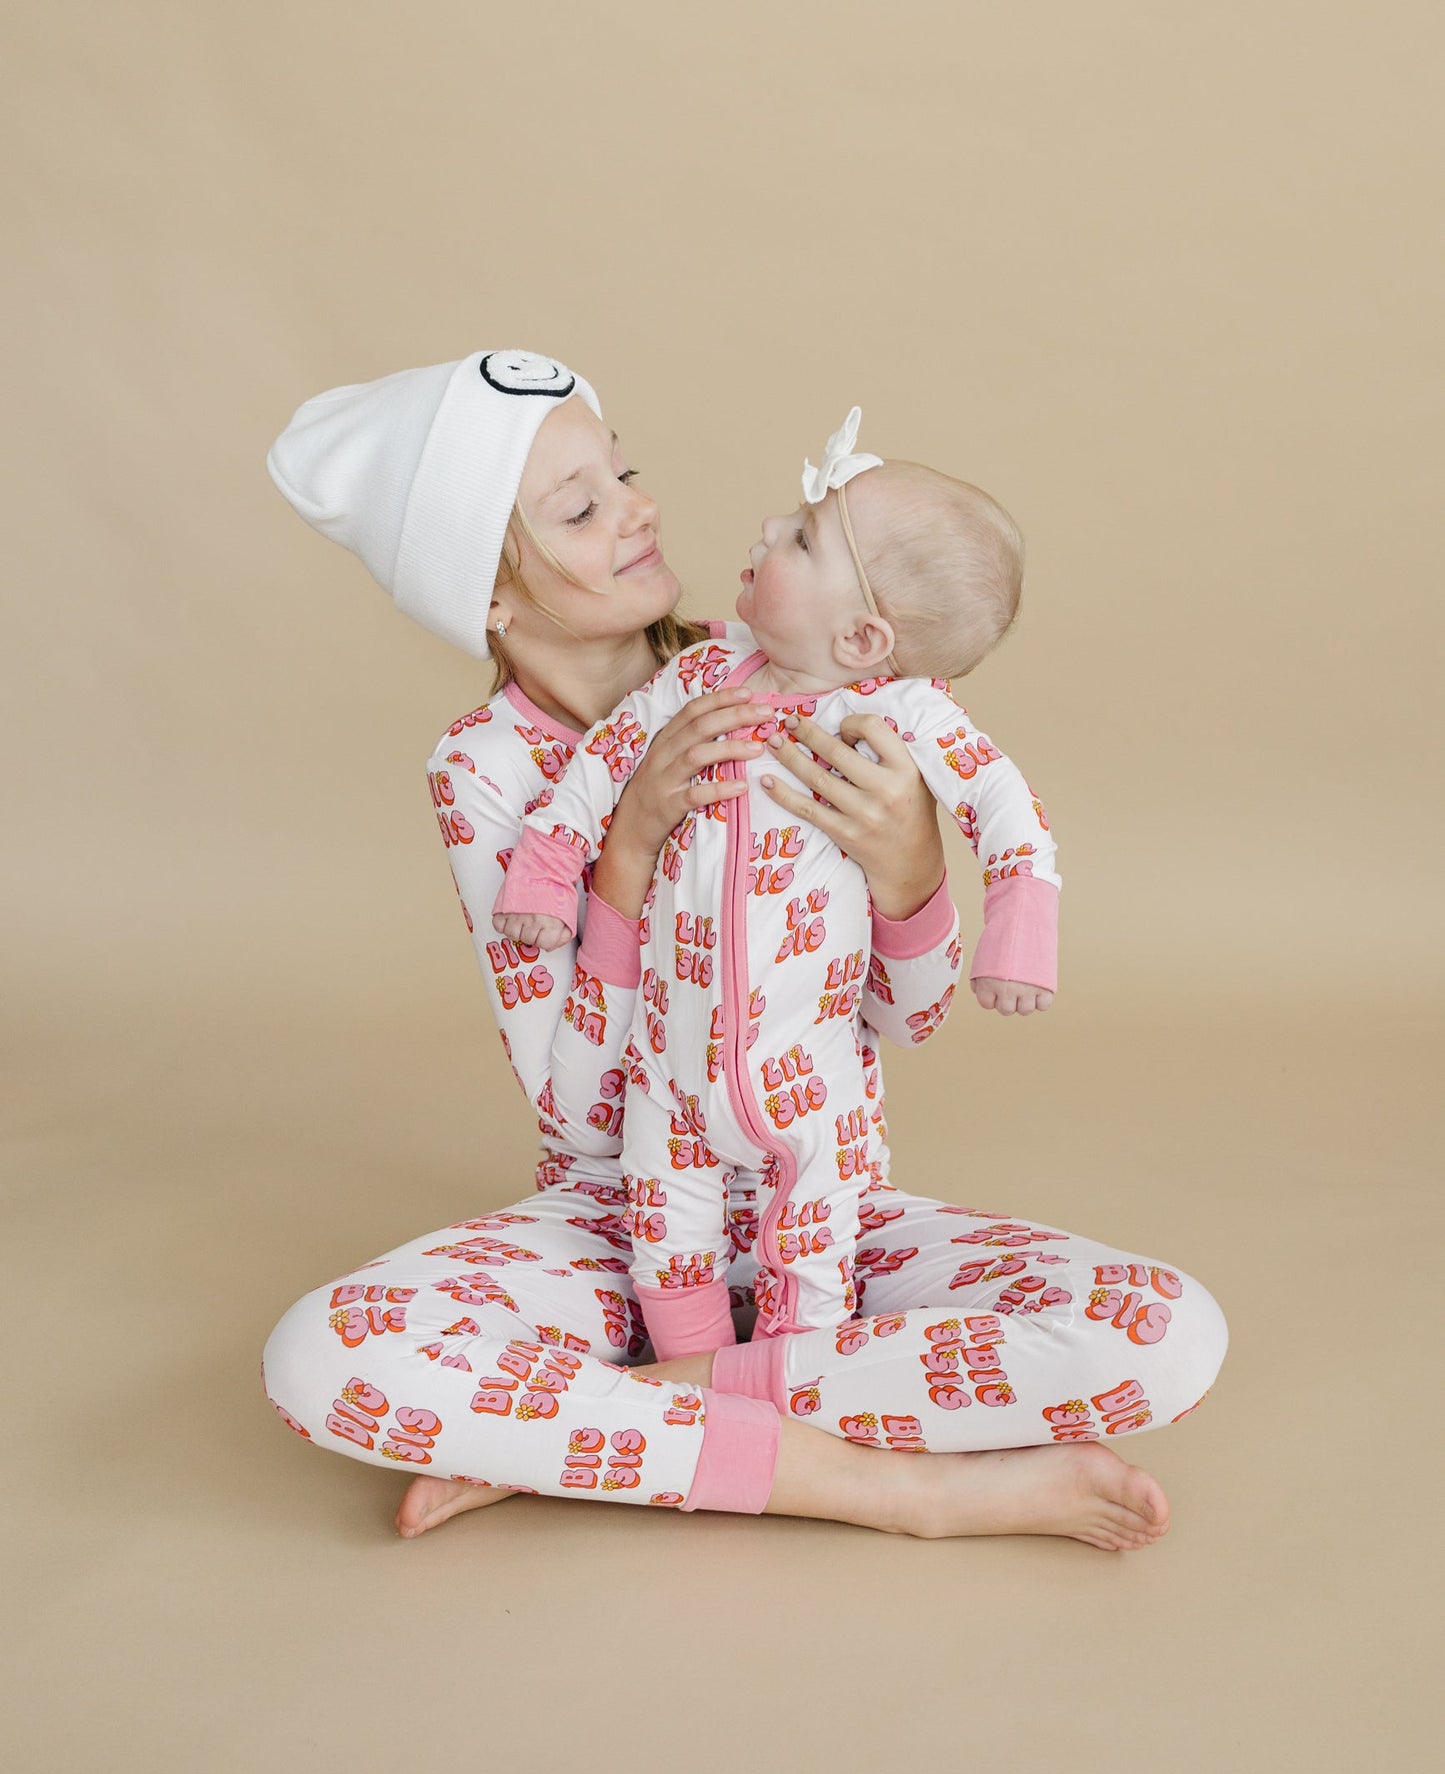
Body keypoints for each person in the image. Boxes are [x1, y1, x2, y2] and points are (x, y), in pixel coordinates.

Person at [261, 347, 1227, 1551]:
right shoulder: (484, 770)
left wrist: (911, 869)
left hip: (822, 1202)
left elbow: (910, 1018)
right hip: (614, 1219)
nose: (638, 508)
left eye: (622, 474)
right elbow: (575, 1110)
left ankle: (608, 1423)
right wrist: (625, 850)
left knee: (1163, 1332)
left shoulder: (789, 661)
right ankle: (890, 1488)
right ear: (486, 596)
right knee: (321, 1359)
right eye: (579, 508)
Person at [493, 407, 1059, 1361]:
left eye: (801, 540)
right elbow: (603, 763)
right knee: (667, 1255)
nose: (765, 529)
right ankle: (692, 1389)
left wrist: (1018, 931)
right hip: (667, 1083)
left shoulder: (901, 716)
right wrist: (548, 873)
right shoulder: (699, 676)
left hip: (812, 1090)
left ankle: (793, 1384)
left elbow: (1005, 807)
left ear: (863, 638)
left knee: (811, 1262)